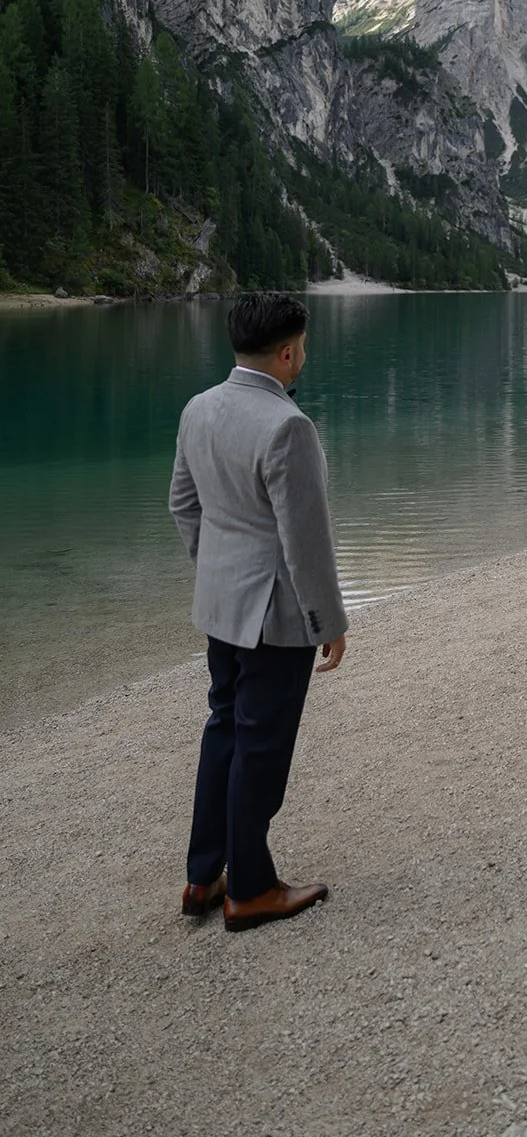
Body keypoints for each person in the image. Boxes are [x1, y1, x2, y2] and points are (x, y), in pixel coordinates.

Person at [169, 292, 349, 931]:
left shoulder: (199, 408)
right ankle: (250, 889)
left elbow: (183, 505)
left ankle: (202, 877)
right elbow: (306, 540)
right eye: (303, 346)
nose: (304, 356)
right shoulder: (287, 426)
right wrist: (330, 622)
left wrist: (218, 575)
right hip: (274, 618)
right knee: (261, 747)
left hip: (220, 608)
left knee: (224, 728)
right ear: (288, 350)